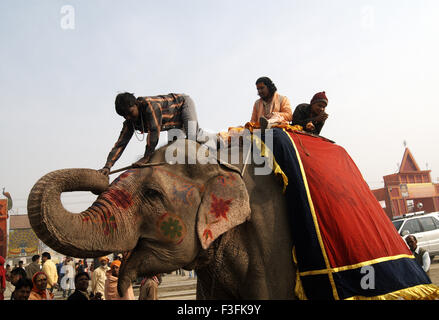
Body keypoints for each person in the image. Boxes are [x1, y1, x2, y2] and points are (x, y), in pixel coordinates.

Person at [98, 92, 214, 176]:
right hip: (172, 124)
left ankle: (222, 140)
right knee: (173, 155)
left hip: (182, 105)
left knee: (193, 139)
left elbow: (154, 131)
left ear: (136, 104)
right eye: (124, 116)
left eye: (130, 113)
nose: (128, 117)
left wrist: (146, 157)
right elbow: (120, 144)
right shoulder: (130, 122)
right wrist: (108, 165)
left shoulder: (150, 107)